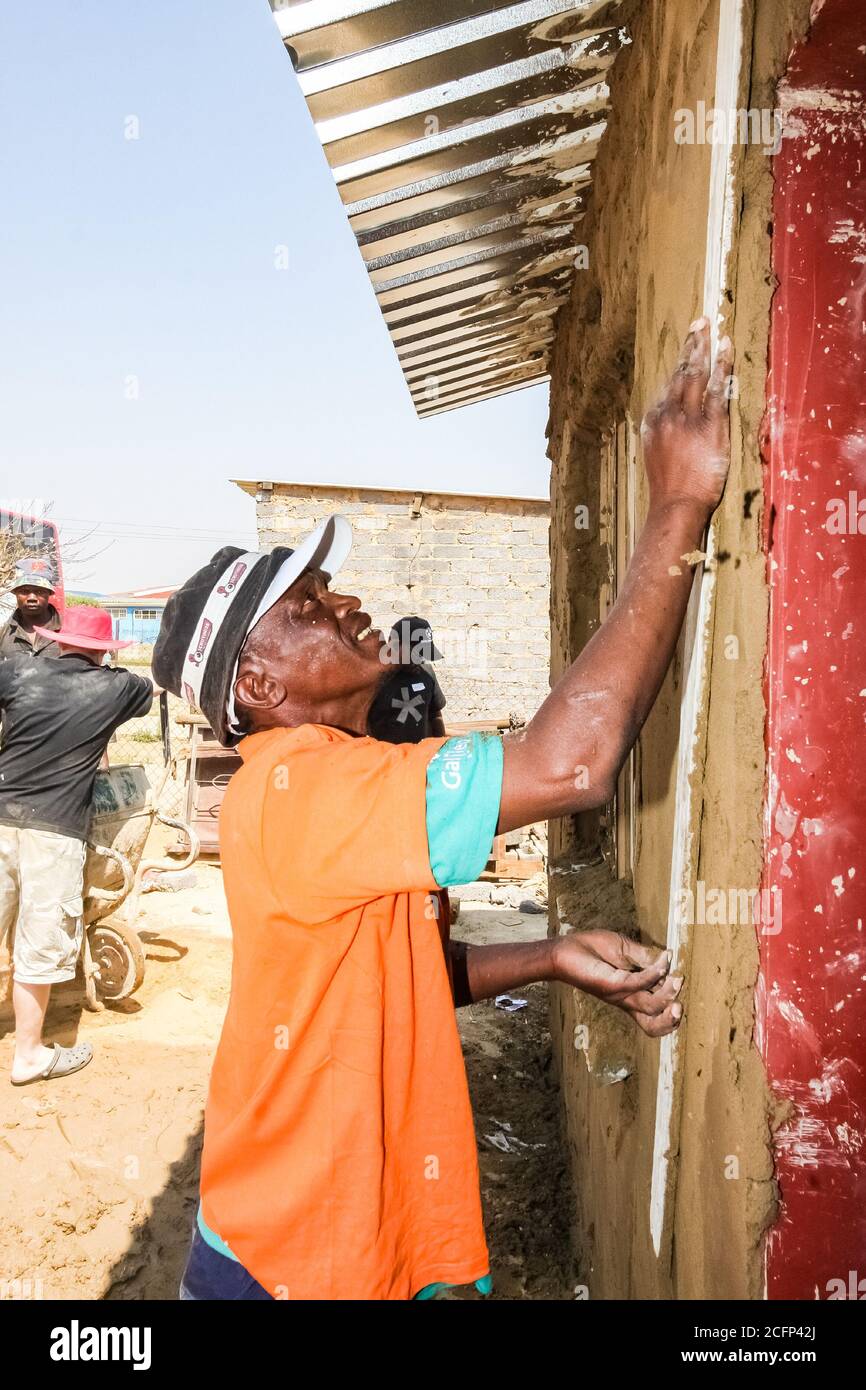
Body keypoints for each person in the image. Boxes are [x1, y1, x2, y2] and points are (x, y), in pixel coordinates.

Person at [154, 319, 732, 1301]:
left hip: (354, 1246)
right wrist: (674, 506)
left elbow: (401, 975)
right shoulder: (301, 786)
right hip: (300, 1266)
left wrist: (549, 957)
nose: (345, 609)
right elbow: (571, 762)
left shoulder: (334, 777)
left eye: (330, 591)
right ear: (256, 683)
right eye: (307, 612)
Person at [0, 606, 156, 1084]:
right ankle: (28, 1056)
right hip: (56, 831)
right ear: (104, 651)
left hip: (0, 815)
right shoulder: (116, 687)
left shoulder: (17, 670)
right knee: (40, 942)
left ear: (57, 640)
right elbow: (147, 690)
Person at [368, 615, 447, 742]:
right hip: (386, 757)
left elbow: (435, 714)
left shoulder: (427, 671)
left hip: (420, 755)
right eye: (417, 653)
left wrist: (440, 743)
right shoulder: (373, 679)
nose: (421, 659)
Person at [0, 560, 62, 658]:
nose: (32, 598)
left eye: (40, 591)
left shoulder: (67, 631)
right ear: (15, 593)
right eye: (24, 591)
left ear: (49, 593)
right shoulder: (3, 633)